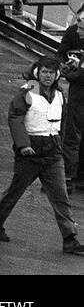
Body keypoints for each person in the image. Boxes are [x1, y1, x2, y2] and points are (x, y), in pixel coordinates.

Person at [0, 57, 84, 254]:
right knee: (15, 191)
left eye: (51, 72)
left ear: (57, 74)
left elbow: (62, 124)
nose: (47, 76)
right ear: (37, 73)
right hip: (30, 154)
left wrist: (59, 148)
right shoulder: (26, 93)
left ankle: (70, 238)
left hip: (52, 154)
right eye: (44, 72)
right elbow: (15, 119)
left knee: (60, 197)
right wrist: (23, 145)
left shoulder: (59, 95)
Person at [58, 12, 84, 193]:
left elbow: (80, 76)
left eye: (82, 28)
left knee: (71, 136)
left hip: (80, 95)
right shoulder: (73, 32)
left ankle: (66, 178)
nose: (78, 31)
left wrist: (68, 73)